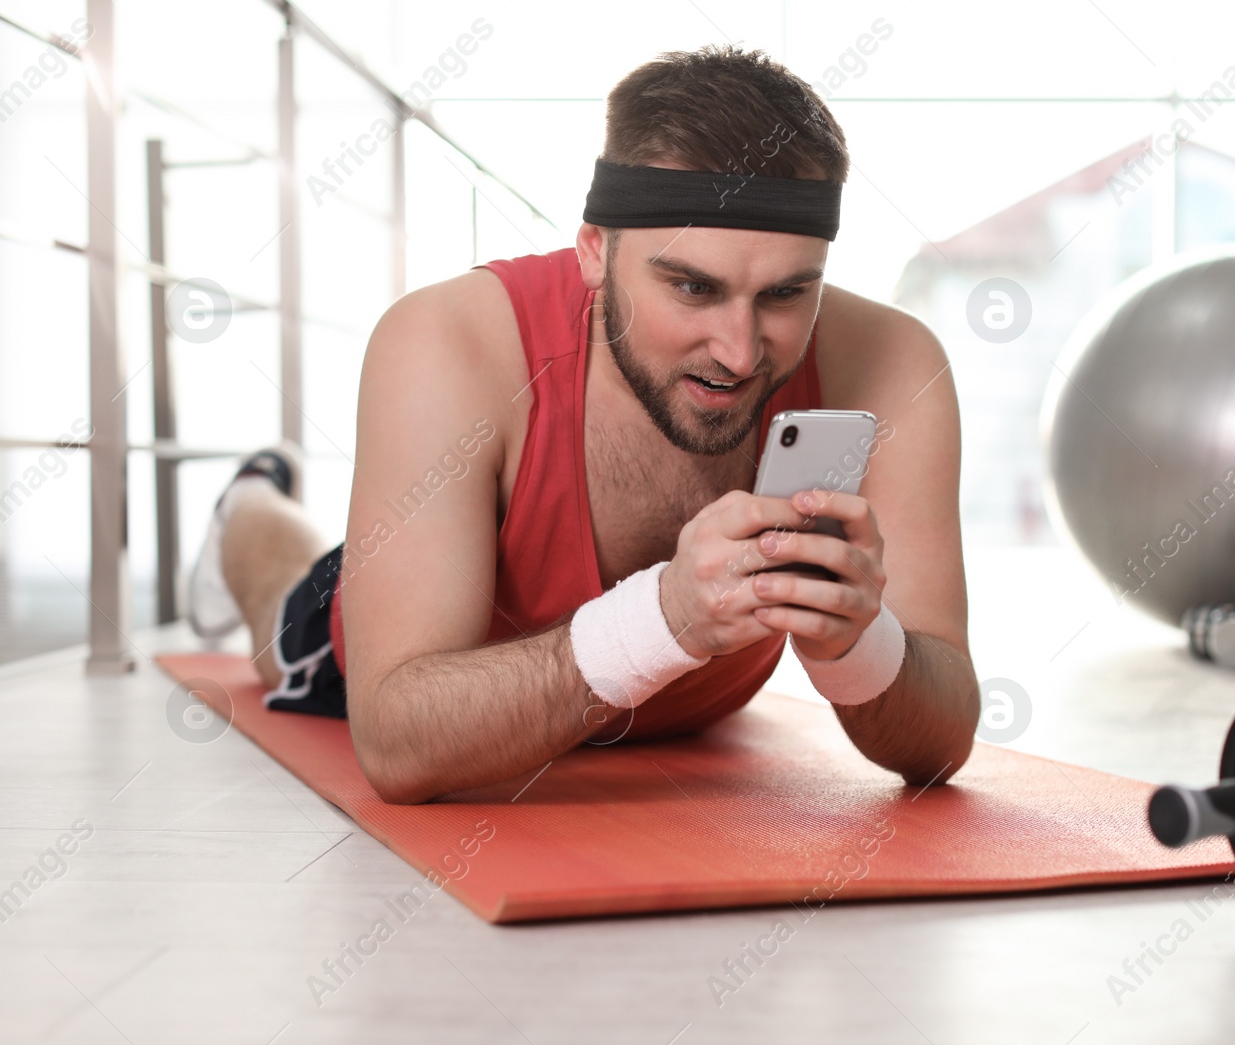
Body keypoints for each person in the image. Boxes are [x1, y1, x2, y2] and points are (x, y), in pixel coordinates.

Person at [188, 46, 978, 804]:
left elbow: (939, 744)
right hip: (447, 679)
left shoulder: (893, 365)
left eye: (784, 295)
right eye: (693, 288)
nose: (739, 353)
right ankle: (247, 506)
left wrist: (856, 644)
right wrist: (666, 615)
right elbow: (396, 742)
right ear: (595, 252)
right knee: (286, 597)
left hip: (677, 714)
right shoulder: (450, 341)